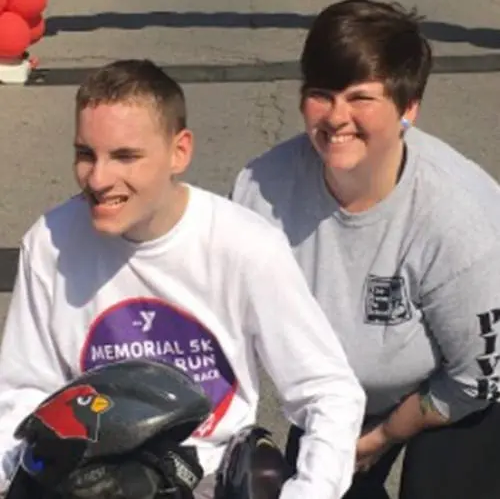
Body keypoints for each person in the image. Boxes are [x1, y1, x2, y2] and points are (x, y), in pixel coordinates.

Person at [0, 59, 366, 499]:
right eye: (85, 154)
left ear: (180, 152)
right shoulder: (50, 242)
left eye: (125, 156)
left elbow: (328, 391)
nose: (98, 178)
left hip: (208, 480)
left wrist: (308, 492)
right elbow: (22, 394)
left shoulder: (246, 245)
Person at [230, 0, 500, 498]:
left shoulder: (462, 220)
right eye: (321, 94)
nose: (337, 117)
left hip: (461, 390)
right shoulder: (259, 190)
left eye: (360, 97)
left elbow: (474, 378)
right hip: (335, 396)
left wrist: (383, 436)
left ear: (408, 107)